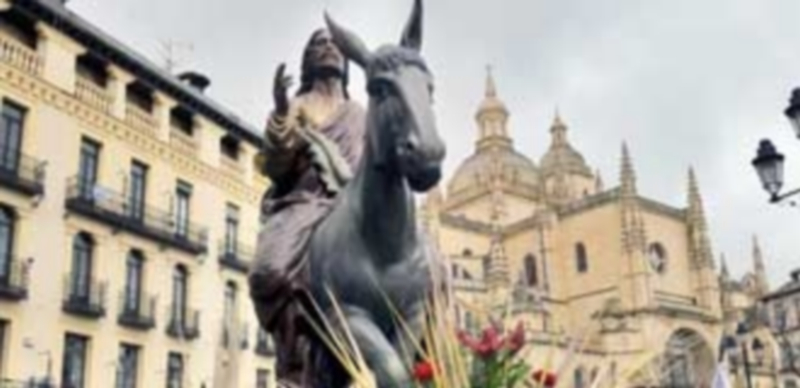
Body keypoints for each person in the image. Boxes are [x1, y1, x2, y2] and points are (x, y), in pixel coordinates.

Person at [248, 28, 366, 386]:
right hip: (304, 203)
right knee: (270, 270)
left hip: (353, 210)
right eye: (318, 43)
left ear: (345, 62)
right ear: (308, 60)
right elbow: (276, 166)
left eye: (334, 44)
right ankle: (295, 364)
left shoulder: (360, 114)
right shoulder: (298, 106)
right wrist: (282, 112)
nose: (328, 47)